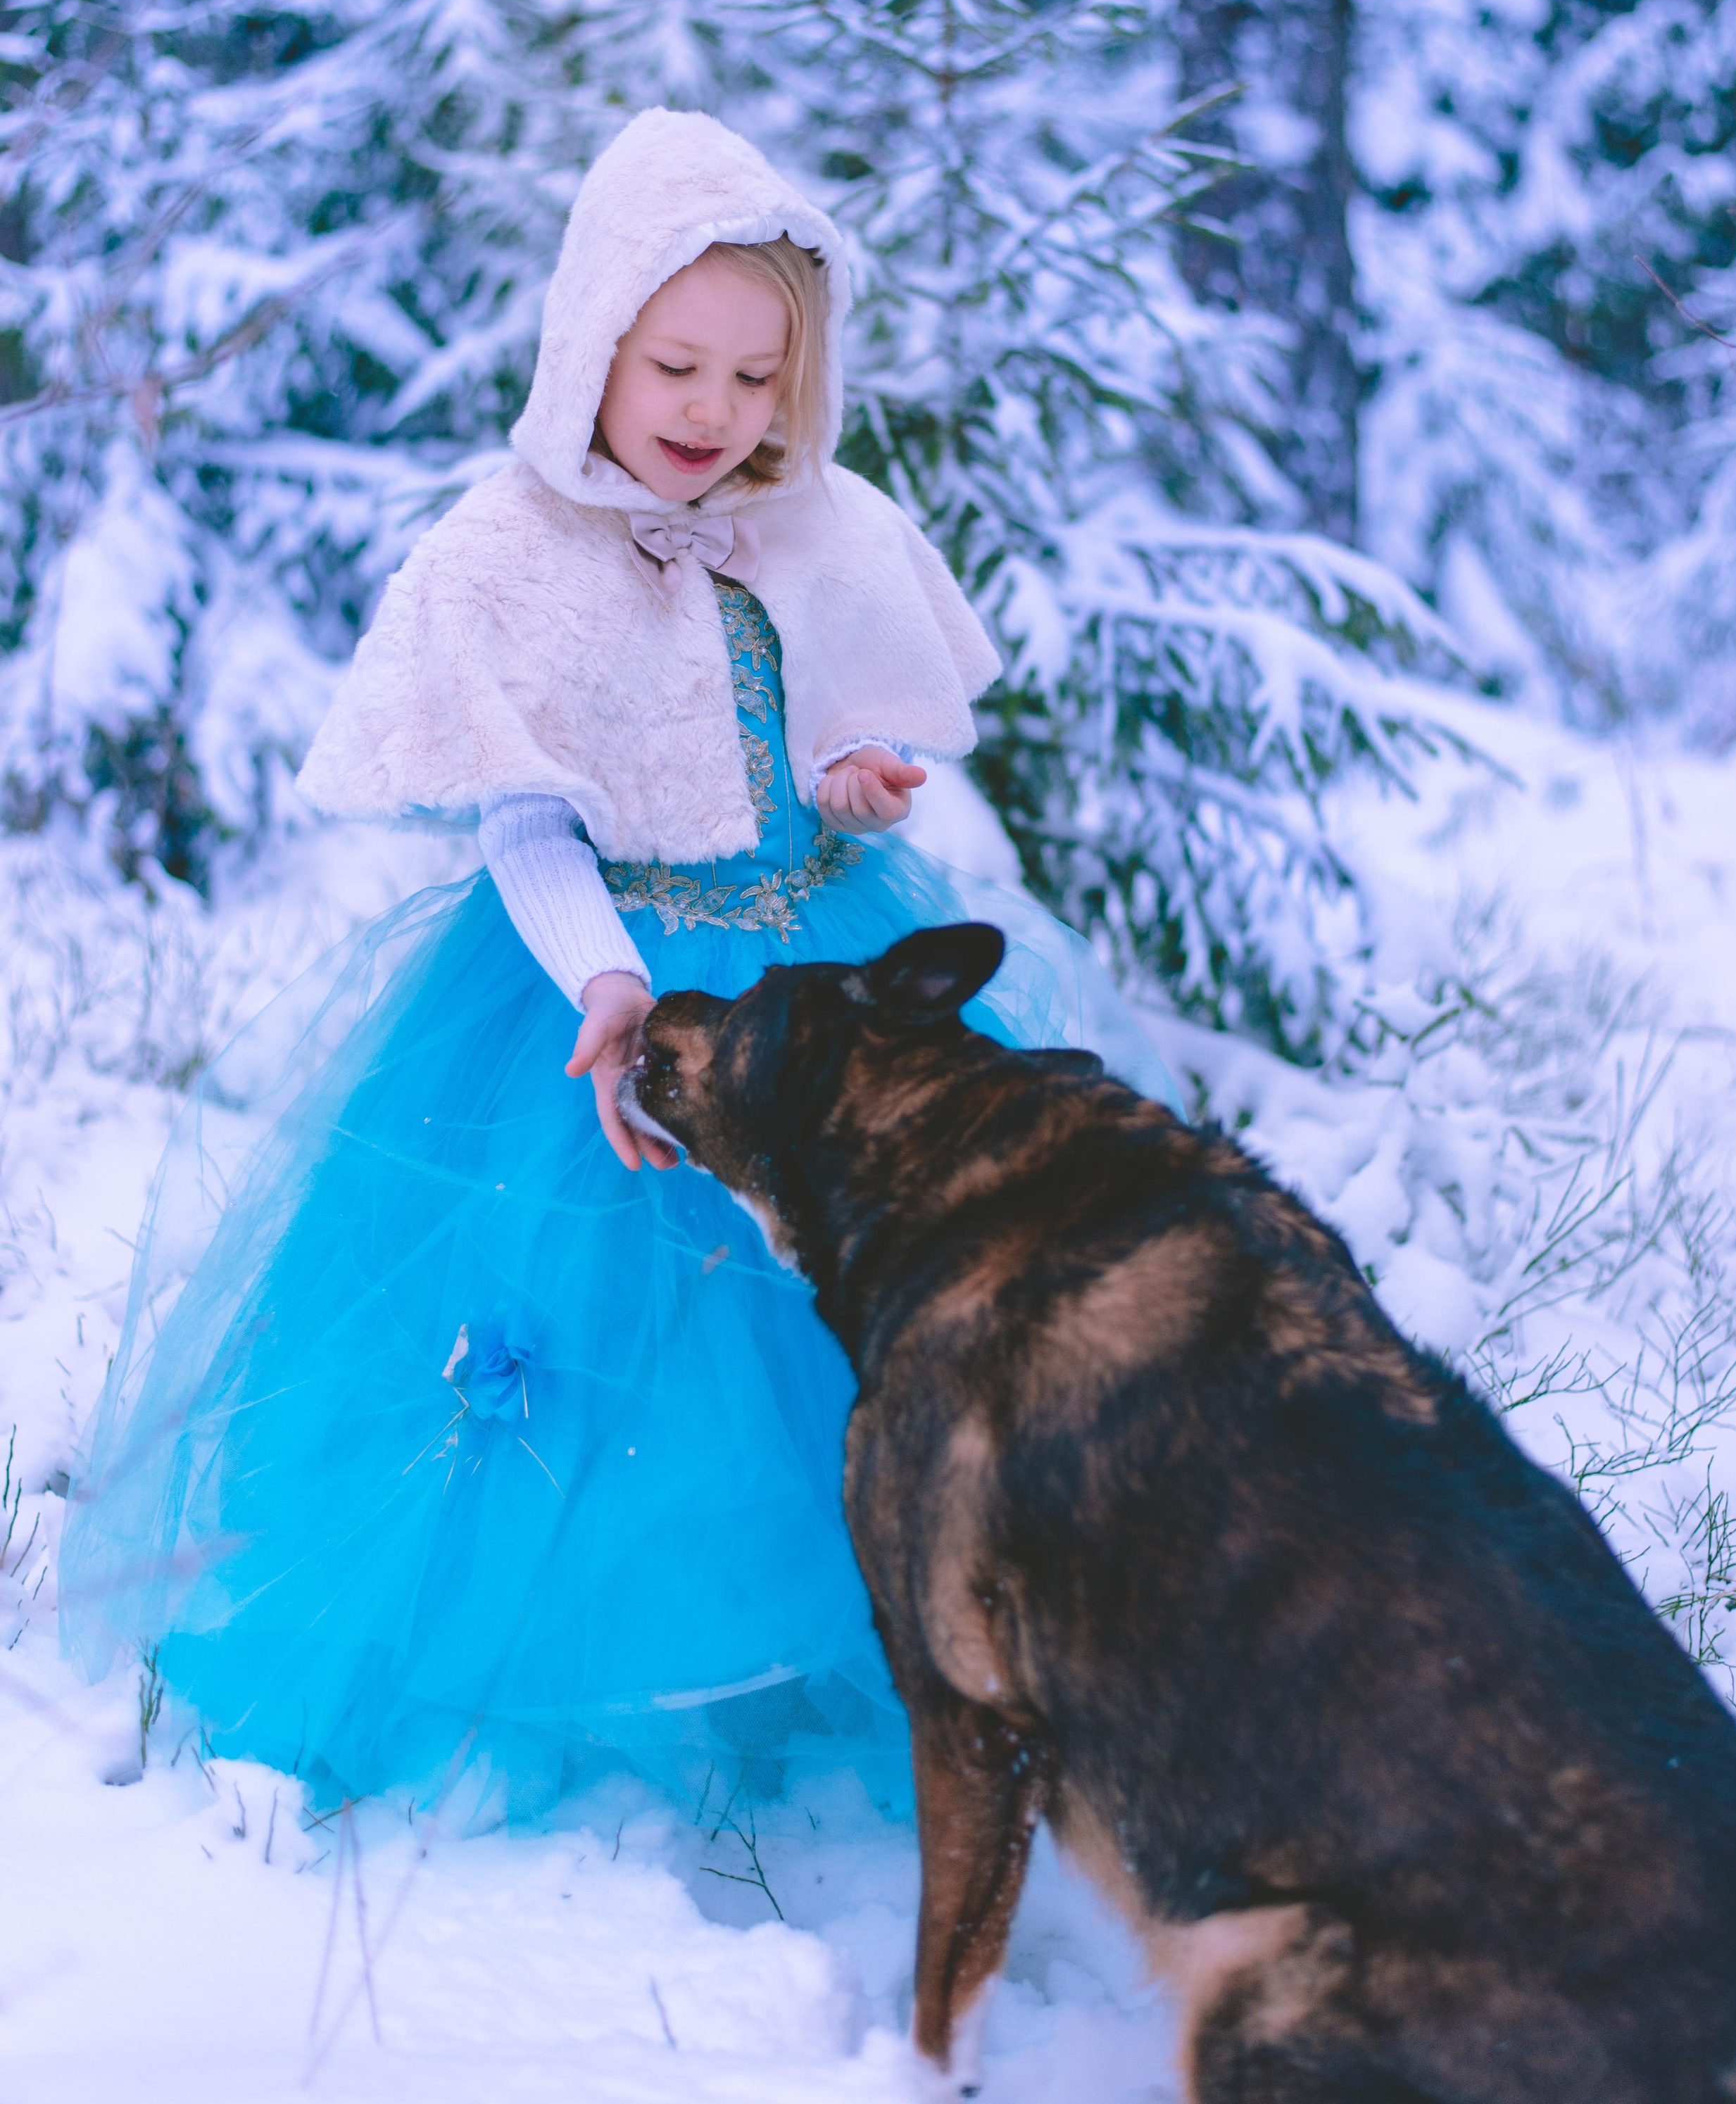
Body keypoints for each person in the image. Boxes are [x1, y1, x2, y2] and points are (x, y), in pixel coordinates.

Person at [60, 110, 1178, 1831]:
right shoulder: (512, 557)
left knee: (842, 1314)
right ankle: (605, 1665)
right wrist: (604, 983)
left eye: (754, 379)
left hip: (816, 963)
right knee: (617, 1333)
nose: (712, 414)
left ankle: (834, 1635)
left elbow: (771, 744)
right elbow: (535, 829)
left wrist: (848, 780)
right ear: (591, 338)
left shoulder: (810, 522)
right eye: (674, 366)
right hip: (603, 991)